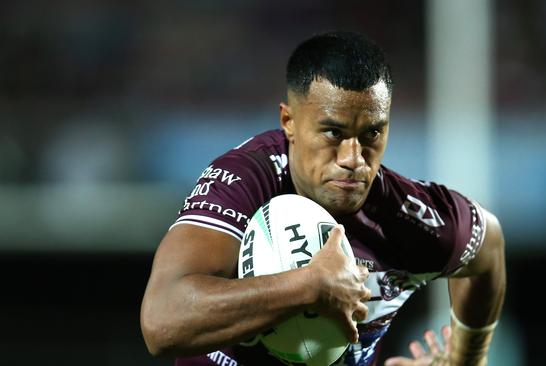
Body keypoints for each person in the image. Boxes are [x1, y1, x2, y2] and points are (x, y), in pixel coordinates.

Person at [140, 30, 506, 366]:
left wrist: (466, 357)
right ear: (289, 123)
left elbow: (488, 246)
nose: (352, 158)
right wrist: (309, 285)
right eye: (333, 132)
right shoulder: (247, 180)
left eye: (371, 134)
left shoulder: (406, 217)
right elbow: (162, 321)